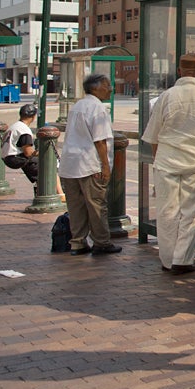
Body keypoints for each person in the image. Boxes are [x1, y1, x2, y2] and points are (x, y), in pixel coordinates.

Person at [141, 53, 195, 275]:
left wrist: (158, 161)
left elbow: (154, 136)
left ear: (179, 71)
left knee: (167, 211)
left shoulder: (167, 96)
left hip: (166, 160)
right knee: (190, 212)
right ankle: (182, 259)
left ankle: (167, 259)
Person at [59, 73, 121, 257]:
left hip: (71, 164)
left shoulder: (78, 105)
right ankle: (101, 242)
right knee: (96, 205)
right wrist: (106, 167)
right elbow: (100, 141)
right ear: (95, 88)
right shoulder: (98, 108)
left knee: (76, 206)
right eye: (107, 85)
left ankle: (77, 242)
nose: (110, 89)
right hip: (89, 163)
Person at [1, 103, 39, 184]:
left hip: (7, 157)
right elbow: (28, 153)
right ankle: (61, 195)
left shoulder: (14, 126)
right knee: (49, 168)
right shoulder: (24, 130)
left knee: (38, 169)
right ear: (33, 117)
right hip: (16, 158)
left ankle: (38, 185)